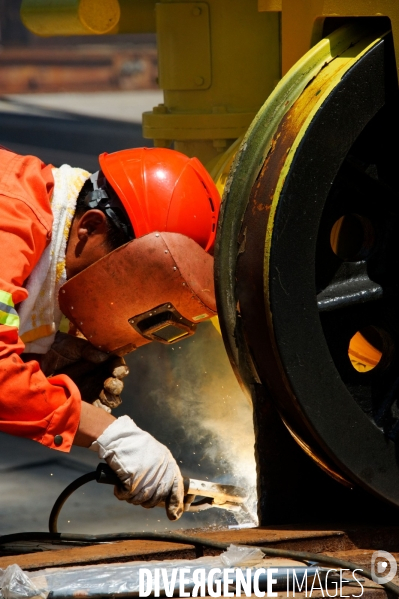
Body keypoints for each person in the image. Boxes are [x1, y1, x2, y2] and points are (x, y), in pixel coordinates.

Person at [0, 146, 220, 521]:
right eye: (121, 279)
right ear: (89, 227)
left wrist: (39, 363)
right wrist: (107, 433)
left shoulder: (41, 217)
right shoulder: (13, 220)